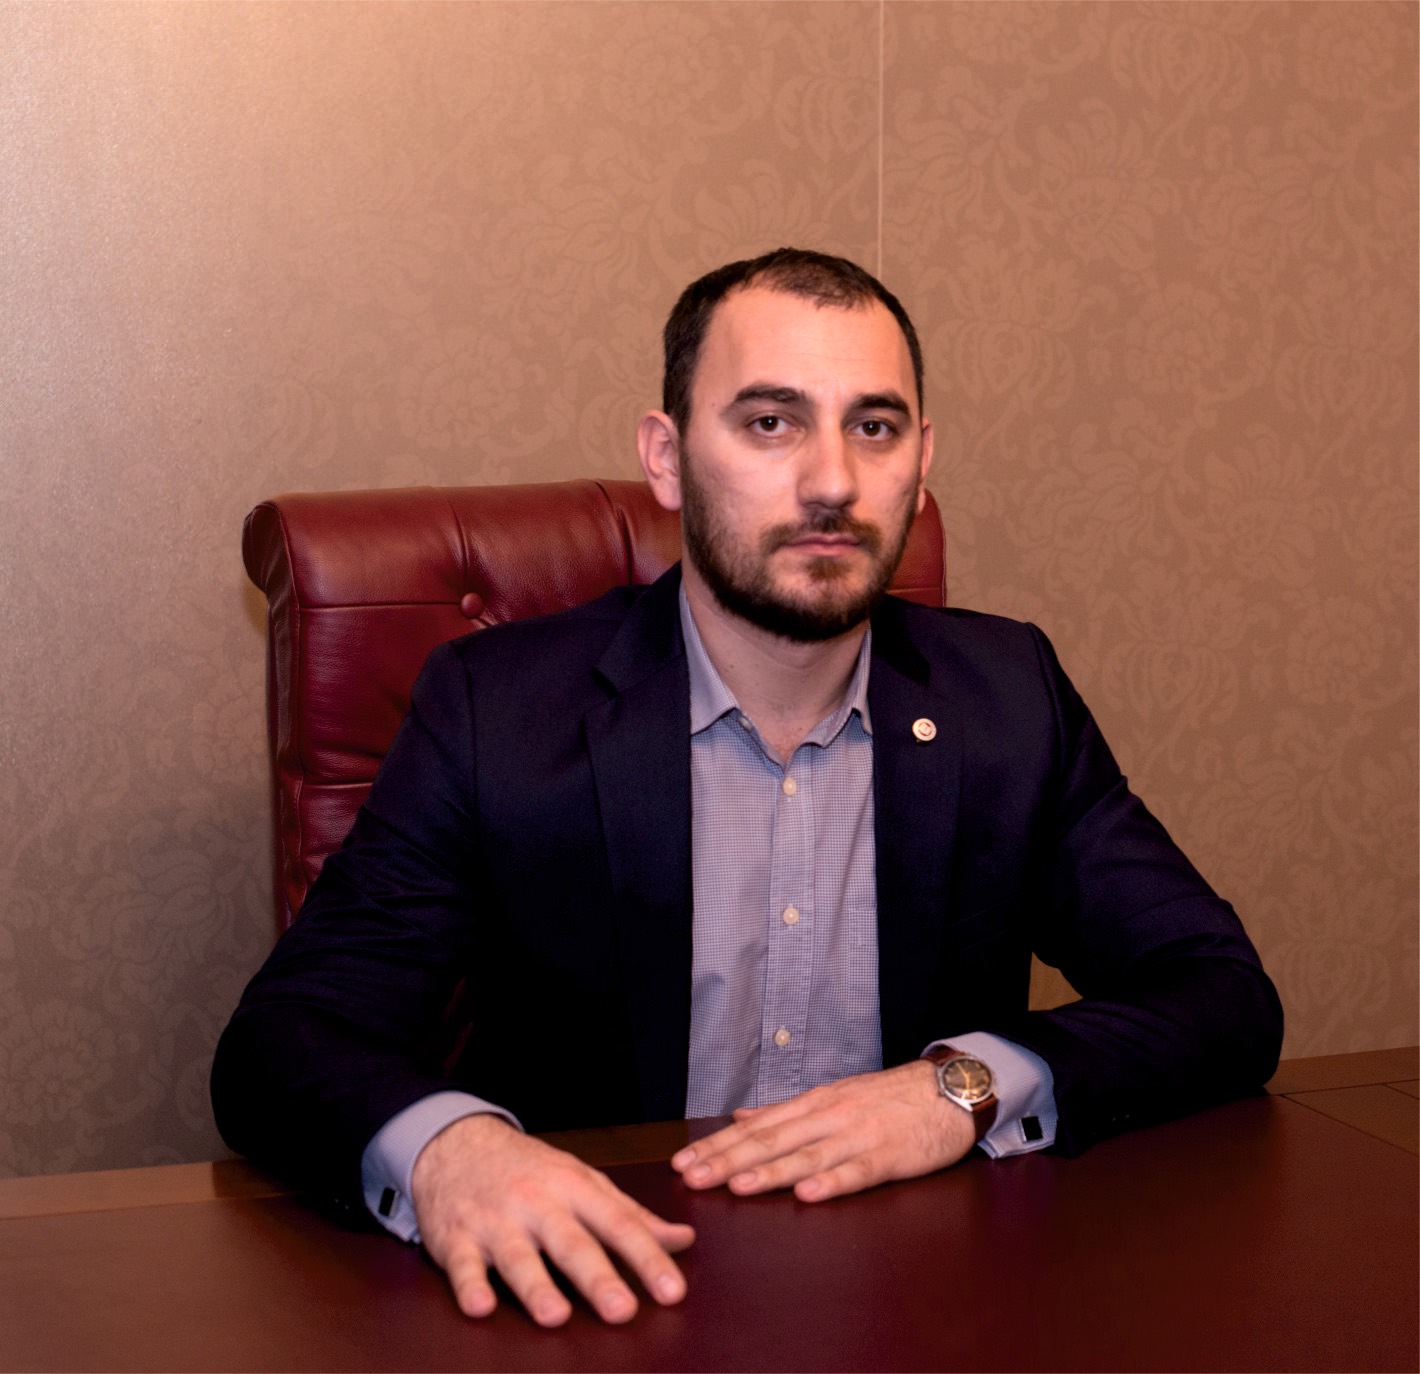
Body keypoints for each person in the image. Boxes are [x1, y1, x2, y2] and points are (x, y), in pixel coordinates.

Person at [212, 248, 1283, 1329]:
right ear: (667, 459)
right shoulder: (498, 712)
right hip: (603, 1297)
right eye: (771, 422)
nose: (832, 482)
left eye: (874, 427)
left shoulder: (1008, 699)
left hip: (926, 1300)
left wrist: (962, 1087)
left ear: (921, 462)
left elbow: (1219, 992)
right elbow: (284, 1041)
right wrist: (452, 1152)